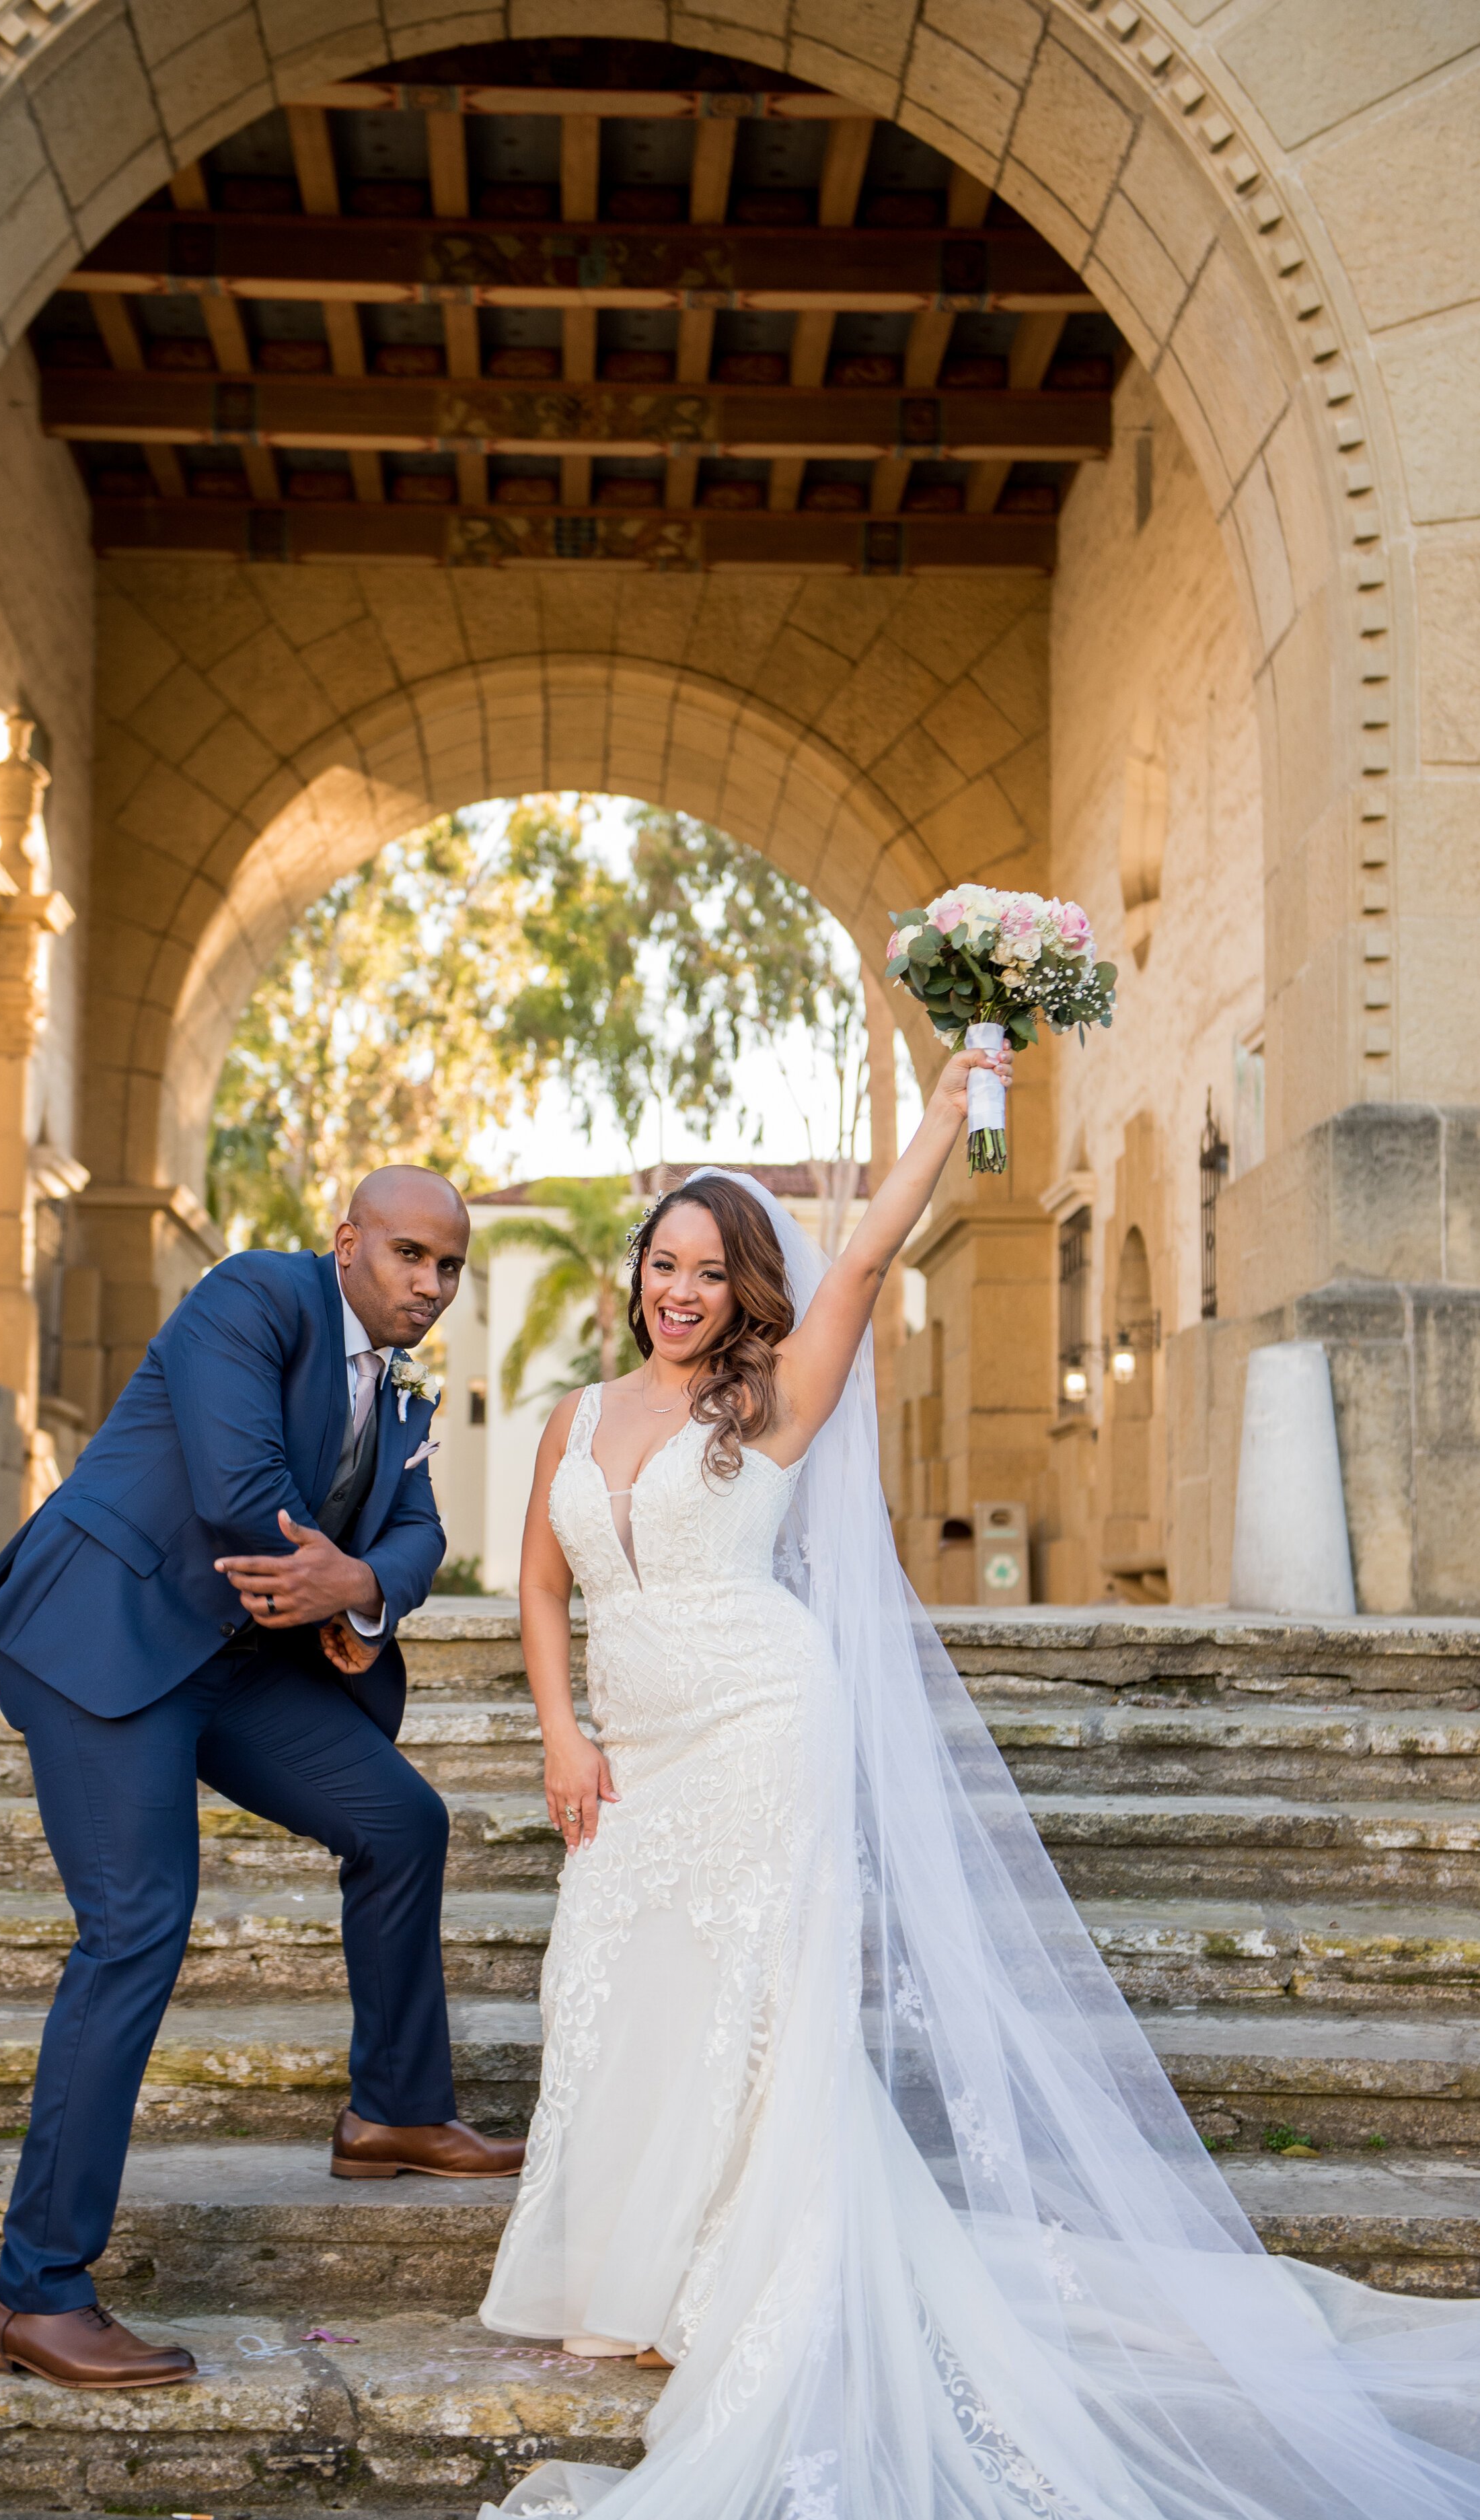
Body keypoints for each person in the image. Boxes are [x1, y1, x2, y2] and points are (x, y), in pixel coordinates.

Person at [479, 1054, 1480, 2520]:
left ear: (742, 1285)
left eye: (708, 1269)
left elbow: (872, 1241)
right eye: (662, 1263)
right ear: (635, 1272)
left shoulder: (768, 1401)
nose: (679, 1289)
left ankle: (712, 2282)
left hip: (764, 1723)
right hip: (631, 1753)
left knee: (746, 2005)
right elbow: (539, 1579)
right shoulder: (570, 1417)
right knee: (612, 1990)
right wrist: (561, 1735)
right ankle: (617, 2267)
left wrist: (953, 1105)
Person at [0, 1165, 523, 2392]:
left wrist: (362, 1588)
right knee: (138, 1921)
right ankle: (31, 2291)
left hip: (235, 1658)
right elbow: (234, 1482)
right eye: (409, 1254)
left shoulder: (404, 1391)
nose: (429, 1283)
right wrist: (324, 1575)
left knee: (401, 1818)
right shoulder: (254, 1297)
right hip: (106, 1636)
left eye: (450, 1266)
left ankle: (394, 2111)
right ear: (347, 1241)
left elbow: (419, 1533)